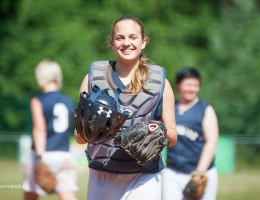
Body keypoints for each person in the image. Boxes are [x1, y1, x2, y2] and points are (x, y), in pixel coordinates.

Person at [74, 15, 177, 200]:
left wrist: (157, 132)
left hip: (143, 176)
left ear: (143, 42)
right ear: (112, 43)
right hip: (102, 175)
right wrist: (92, 131)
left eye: (133, 37)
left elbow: (173, 136)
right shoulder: (93, 79)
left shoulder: (160, 83)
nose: (126, 43)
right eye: (120, 38)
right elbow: (79, 138)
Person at [23, 59, 78, 200]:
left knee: (30, 195)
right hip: (64, 154)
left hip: (43, 153)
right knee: (68, 195)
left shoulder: (37, 100)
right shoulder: (68, 101)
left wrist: (40, 158)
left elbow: (40, 129)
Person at [162, 67, 219, 200]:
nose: (192, 89)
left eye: (195, 85)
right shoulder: (171, 108)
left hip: (200, 173)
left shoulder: (205, 109)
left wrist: (199, 172)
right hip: (173, 172)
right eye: (188, 85)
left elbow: (211, 142)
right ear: (178, 85)